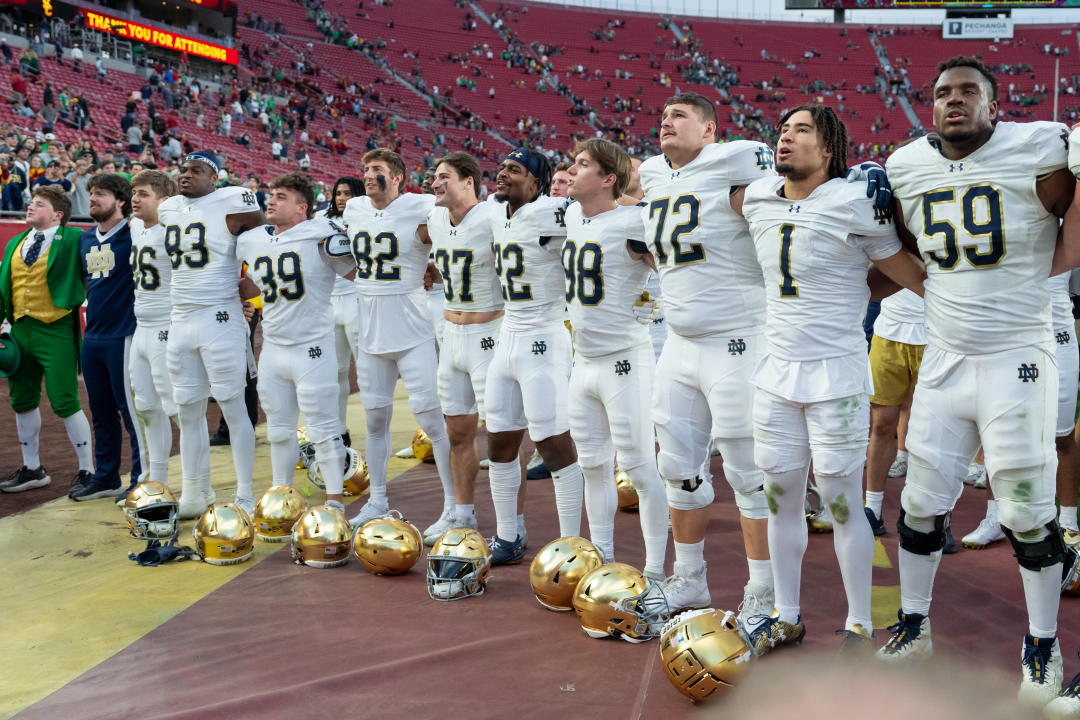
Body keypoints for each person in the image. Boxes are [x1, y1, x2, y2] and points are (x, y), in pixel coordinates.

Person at [878, 56, 1080, 709]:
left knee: (1025, 510)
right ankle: (914, 627)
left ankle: (1043, 647)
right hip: (944, 358)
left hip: (1017, 355)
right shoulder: (907, 164)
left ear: (996, 104)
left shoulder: (1037, 148)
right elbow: (906, 245)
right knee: (919, 504)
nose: (953, 101)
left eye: (968, 92)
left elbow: (1068, 223)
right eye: (942, 93)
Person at [735, 105, 925, 654]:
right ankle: (786, 614)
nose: (785, 138)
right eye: (781, 130)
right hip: (774, 375)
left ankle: (861, 623)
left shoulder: (854, 201)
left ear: (829, 149)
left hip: (836, 377)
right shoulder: (756, 195)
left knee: (843, 501)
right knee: (781, 498)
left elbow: (906, 274)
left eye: (800, 130)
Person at [635, 92, 776, 622]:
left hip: (738, 339)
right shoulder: (652, 174)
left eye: (679, 116)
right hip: (680, 342)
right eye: (662, 115)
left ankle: (764, 588)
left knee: (748, 472)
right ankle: (689, 578)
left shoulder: (738, 159)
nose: (665, 122)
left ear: (711, 131)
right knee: (677, 468)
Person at [563, 138, 668, 576]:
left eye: (583, 164)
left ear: (608, 179)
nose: (571, 170)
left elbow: (673, 273)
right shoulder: (570, 214)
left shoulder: (634, 222)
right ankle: (600, 557)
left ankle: (658, 571)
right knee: (591, 466)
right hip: (582, 361)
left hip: (624, 359)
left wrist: (651, 306)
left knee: (641, 468)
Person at [340, 148, 454, 529]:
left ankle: (453, 505)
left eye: (377, 170)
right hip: (370, 330)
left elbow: (451, 236)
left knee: (432, 420)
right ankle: (377, 501)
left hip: (412, 328)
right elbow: (347, 260)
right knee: (374, 420)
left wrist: (430, 270)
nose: (368, 175)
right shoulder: (353, 208)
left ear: (399, 177)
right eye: (365, 169)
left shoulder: (421, 205)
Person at [484, 148, 583, 565]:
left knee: (553, 442)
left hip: (544, 336)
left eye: (515, 169)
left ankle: (572, 543)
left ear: (537, 182)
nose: (504, 174)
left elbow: (601, 214)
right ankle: (508, 535)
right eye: (503, 166)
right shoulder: (493, 209)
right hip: (507, 335)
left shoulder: (558, 210)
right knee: (500, 441)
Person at [157, 151, 264, 519]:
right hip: (181, 318)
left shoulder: (234, 202)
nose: (186, 175)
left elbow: (267, 244)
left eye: (196, 170)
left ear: (214, 177)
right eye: (183, 170)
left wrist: (252, 288)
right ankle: (195, 490)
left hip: (220, 315)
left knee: (234, 407)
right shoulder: (169, 207)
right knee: (188, 411)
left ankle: (246, 492)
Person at [238, 173, 348, 512]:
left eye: (281, 196)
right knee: (279, 430)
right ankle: (281, 498)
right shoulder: (253, 240)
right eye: (271, 193)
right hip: (272, 347)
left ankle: (335, 501)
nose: (270, 200)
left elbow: (361, 274)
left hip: (312, 347)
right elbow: (253, 283)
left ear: (302, 207)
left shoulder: (324, 234)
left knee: (323, 427)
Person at [425, 151, 505, 544]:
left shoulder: (492, 216)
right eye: (434, 177)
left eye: (443, 177)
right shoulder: (436, 216)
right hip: (451, 333)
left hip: (489, 331)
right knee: (457, 432)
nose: (434, 183)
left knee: (503, 435)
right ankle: (462, 513)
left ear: (469, 181)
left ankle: (512, 524)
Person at [0, 187, 95, 493]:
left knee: (65, 399)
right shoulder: (15, 242)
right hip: (19, 329)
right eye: (31, 202)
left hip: (56, 328)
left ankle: (88, 470)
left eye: (39, 204)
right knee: (22, 399)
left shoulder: (73, 238)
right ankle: (32, 467)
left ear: (58, 215)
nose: (30, 206)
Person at [68, 174, 146, 500]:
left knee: (132, 412)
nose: (93, 199)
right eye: (91, 193)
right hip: (94, 335)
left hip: (124, 334)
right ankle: (106, 476)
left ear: (121, 201)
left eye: (100, 194)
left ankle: (143, 479)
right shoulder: (84, 238)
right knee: (100, 410)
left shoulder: (134, 233)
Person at [128, 170, 179, 487]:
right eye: (134, 192)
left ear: (163, 200)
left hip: (167, 325)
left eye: (143, 193)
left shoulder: (174, 229)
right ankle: (157, 481)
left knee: (177, 408)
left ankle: (196, 483)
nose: (135, 198)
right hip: (141, 327)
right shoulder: (135, 226)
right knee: (146, 406)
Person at [865, 287, 925, 535]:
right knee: (881, 424)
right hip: (888, 330)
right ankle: (872, 509)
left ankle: (933, 513)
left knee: (935, 429)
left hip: (938, 333)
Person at [318, 176, 364, 448]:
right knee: (335, 372)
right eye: (338, 192)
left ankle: (375, 428)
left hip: (357, 299)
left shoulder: (368, 217)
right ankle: (339, 430)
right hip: (329, 301)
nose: (341, 198)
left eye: (347, 193)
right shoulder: (321, 219)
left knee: (367, 370)